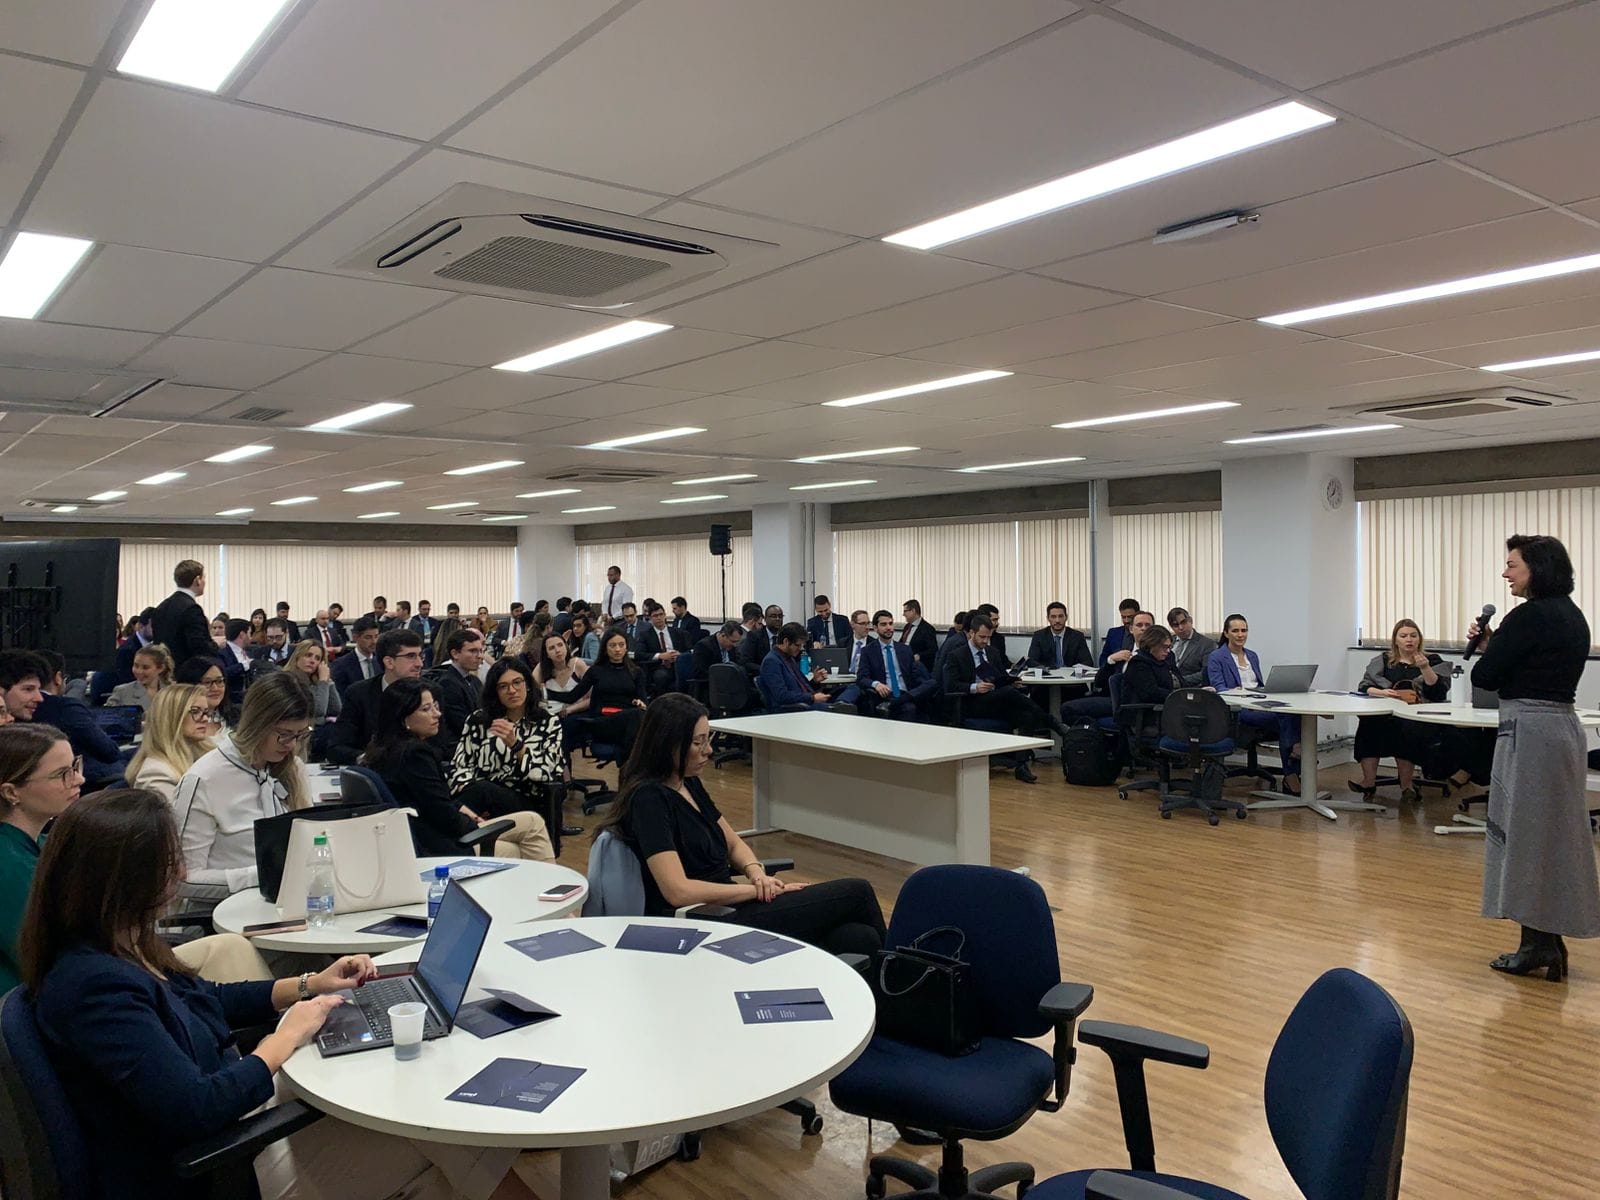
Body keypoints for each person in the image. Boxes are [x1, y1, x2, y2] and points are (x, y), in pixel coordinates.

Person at [21, 788, 537, 1200]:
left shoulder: (119, 946)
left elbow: (208, 999)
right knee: (436, 1134)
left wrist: (312, 984)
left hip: (234, 1126)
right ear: (124, 879)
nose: (181, 873)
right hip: (219, 1168)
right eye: (169, 862)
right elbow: (197, 1108)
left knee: (435, 1141)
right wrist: (284, 1039)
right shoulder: (95, 988)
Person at [598, 693, 886, 953]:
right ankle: (903, 979)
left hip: (729, 904)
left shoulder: (688, 783)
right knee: (857, 891)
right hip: (703, 919)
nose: (708, 750)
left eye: (708, 739)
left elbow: (733, 843)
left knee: (859, 938)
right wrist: (755, 890)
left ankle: (893, 983)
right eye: (698, 743)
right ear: (668, 744)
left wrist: (756, 873)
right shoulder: (648, 799)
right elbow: (678, 891)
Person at [1468, 534, 1597, 981]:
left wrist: (1491, 646)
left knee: (1527, 839)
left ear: (1536, 569)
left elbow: (1487, 677)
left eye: (1512, 565)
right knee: (1550, 838)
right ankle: (1546, 941)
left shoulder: (1528, 616)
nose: (1505, 573)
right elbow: (1532, 664)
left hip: (1530, 732)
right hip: (1560, 729)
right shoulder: (1572, 615)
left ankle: (1536, 945)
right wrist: (1498, 642)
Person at [364, 679, 551, 860]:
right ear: (403, 718)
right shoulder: (415, 754)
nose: (437, 714)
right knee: (523, 843)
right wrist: (474, 825)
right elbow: (442, 814)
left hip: (419, 838)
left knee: (532, 821)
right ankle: (550, 880)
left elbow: (435, 800)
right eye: (426, 709)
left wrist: (466, 813)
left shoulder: (380, 749)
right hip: (439, 845)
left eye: (435, 706)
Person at [171, 671, 313, 897]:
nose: (291, 745)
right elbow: (184, 880)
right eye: (284, 734)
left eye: (300, 734)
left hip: (291, 900)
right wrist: (264, 876)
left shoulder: (293, 768)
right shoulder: (203, 779)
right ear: (257, 724)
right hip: (225, 909)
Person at [448, 658, 565, 846]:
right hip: (479, 798)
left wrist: (516, 746)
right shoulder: (479, 721)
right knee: (473, 793)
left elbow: (545, 772)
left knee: (478, 793)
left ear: (528, 685)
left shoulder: (547, 722)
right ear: (495, 692)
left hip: (528, 800)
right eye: (503, 686)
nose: (512, 690)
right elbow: (459, 767)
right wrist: (470, 792)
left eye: (517, 682)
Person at [1, 723, 82, 991]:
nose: (79, 779)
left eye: (75, 766)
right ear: (11, 792)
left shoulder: (43, 842)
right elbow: (47, 960)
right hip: (27, 1002)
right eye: (62, 774)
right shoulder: (8, 866)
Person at [942, 615, 1067, 782]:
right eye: (982, 637)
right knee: (1009, 693)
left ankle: (1021, 765)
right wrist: (974, 687)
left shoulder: (992, 652)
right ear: (971, 633)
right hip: (972, 702)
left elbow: (1000, 677)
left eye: (988, 637)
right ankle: (1051, 721)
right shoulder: (957, 655)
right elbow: (951, 685)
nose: (985, 641)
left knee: (1026, 715)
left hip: (996, 700)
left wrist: (1011, 682)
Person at [1349, 619, 1448, 803]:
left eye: (1413, 635)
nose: (1409, 639)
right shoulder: (1383, 661)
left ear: (1419, 639)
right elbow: (1364, 687)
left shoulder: (1432, 660)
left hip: (1419, 715)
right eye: (1403, 636)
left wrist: (1425, 667)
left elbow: (1438, 692)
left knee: (1406, 728)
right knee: (1369, 723)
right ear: (1396, 640)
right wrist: (1383, 692)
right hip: (1387, 711)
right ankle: (1368, 781)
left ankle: (1407, 785)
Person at [1205, 614, 1301, 793]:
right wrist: (1238, 691)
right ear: (1226, 633)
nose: (1240, 634)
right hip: (1239, 709)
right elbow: (1219, 688)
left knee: (1294, 713)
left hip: (1259, 704)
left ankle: (1293, 765)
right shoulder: (1216, 657)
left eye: (1244, 630)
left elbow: (1259, 685)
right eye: (1235, 631)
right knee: (1287, 719)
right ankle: (1293, 764)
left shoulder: (1252, 655)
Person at [329, 628, 428, 765]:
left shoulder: (431, 692)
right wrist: (368, 759)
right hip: (372, 769)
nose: (419, 664)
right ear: (389, 662)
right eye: (411, 656)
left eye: (420, 656)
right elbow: (336, 747)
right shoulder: (359, 694)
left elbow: (441, 746)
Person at [34, 650, 128, 792]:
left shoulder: (16, 707)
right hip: (83, 779)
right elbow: (109, 752)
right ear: (58, 678)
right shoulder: (65, 708)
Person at [560, 628, 648, 760]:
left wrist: (641, 703)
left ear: (626, 647)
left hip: (627, 721)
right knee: (636, 719)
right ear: (605, 649)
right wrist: (547, 693)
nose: (618, 649)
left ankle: (627, 763)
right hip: (602, 720)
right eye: (613, 645)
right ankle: (631, 765)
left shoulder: (637, 672)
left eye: (621, 645)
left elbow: (644, 701)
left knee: (638, 716)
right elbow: (572, 696)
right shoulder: (596, 671)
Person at [125, 683, 215, 802]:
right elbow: (181, 814)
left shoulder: (208, 753)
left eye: (206, 712)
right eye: (195, 711)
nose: (205, 718)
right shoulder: (156, 774)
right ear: (172, 716)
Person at [855, 609, 936, 721]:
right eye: (883, 624)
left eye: (890, 623)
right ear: (875, 628)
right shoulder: (868, 651)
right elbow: (861, 678)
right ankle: (898, 701)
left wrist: (919, 685)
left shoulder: (905, 649)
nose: (888, 627)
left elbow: (914, 674)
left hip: (906, 693)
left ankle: (898, 701)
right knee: (909, 708)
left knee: (932, 682)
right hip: (885, 694)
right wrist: (876, 684)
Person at [428, 627, 488, 757]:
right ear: (455, 654)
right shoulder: (447, 684)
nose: (479, 656)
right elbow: (462, 724)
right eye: (472, 651)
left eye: (480, 651)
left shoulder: (474, 681)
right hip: (460, 749)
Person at [150, 560, 216, 667]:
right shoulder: (192, 609)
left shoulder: (161, 606)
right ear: (197, 580)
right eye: (204, 578)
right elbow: (199, 646)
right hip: (186, 670)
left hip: (164, 669)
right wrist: (216, 645)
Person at [758, 622, 835, 712]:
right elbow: (782, 696)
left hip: (806, 703)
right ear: (786, 642)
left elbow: (801, 688)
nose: (801, 648)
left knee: (845, 692)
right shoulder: (772, 662)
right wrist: (811, 698)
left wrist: (814, 681)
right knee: (839, 710)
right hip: (794, 709)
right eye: (798, 645)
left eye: (802, 645)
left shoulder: (789, 658)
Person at [285, 640, 341, 759]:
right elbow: (318, 710)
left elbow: (336, 708)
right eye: (308, 655)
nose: (312, 661)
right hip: (300, 734)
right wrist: (323, 681)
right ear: (297, 656)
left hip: (317, 733)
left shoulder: (316, 680)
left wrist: (328, 681)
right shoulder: (289, 679)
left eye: (317, 658)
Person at [1121, 624, 1180, 737]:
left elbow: (1180, 680)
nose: (1168, 651)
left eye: (1169, 647)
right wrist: (1177, 696)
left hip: (1169, 710)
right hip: (1148, 717)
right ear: (1152, 645)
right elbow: (1150, 693)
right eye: (1164, 647)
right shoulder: (1139, 663)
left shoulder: (1166, 659)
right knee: (1193, 729)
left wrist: (1194, 692)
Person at [107, 642, 174, 713]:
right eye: (136, 666)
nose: (139, 671)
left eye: (145, 667)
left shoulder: (173, 693)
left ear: (160, 668)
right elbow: (106, 717)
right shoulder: (122, 692)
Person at [1027, 602, 1094, 670]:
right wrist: (1045, 669)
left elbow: (1088, 662)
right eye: (1053, 617)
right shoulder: (1039, 636)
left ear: (1066, 617)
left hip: (1070, 674)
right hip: (1047, 674)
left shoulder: (1077, 636)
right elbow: (1031, 661)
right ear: (1048, 618)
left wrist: (1073, 669)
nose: (1057, 620)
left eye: (1060, 616)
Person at [637, 604, 686, 694]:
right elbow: (640, 654)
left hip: (678, 665)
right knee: (661, 676)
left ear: (665, 615)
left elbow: (690, 650)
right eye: (655, 616)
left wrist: (680, 655)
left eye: (661, 614)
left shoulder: (677, 632)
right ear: (650, 618)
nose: (659, 618)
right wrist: (660, 656)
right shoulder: (645, 635)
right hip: (658, 666)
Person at [174, 656, 232, 732]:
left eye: (219, 681)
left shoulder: (238, 716)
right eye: (207, 682)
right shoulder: (178, 723)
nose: (215, 688)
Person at [331, 614, 382, 696]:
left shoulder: (381, 662)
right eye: (368, 637)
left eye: (376, 636)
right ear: (355, 637)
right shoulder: (341, 665)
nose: (374, 642)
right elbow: (340, 697)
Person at [1167, 607, 1218, 688]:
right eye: (1176, 625)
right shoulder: (1168, 642)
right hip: (1165, 687)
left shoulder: (1207, 644)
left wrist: (1178, 681)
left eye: (1183, 622)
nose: (1181, 628)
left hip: (1191, 689)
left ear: (1190, 620)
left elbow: (1206, 673)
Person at [897, 599, 939, 674]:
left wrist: (919, 656)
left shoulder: (927, 629)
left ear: (913, 611)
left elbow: (933, 650)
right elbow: (901, 643)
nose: (903, 614)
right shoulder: (907, 627)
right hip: (902, 662)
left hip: (917, 666)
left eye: (905, 611)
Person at [1098, 597, 1141, 667]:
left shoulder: (1147, 634)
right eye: (1123, 617)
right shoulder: (1113, 633)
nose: (1126, 621)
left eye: (1130, 617)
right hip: (1116, 671)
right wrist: (1112, 658)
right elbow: (1102, 660)